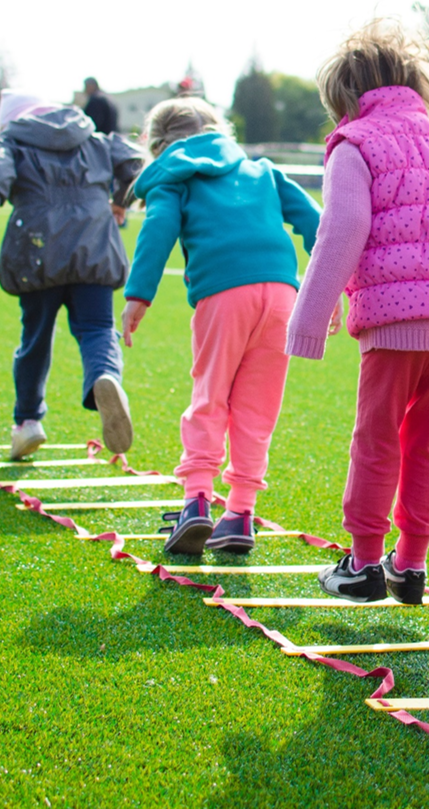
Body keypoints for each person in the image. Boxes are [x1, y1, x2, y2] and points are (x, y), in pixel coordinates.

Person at [285, 16, 429, 603]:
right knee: (426, 442)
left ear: (347, 98)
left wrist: (309, 318)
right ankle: (409, 563)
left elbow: (345, 228)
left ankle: (361, 564)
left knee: (376, 438)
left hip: (396, 319)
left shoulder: (354, 144)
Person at [120, 98, 321, 555]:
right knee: (258, 408)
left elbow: (159, 228)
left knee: (210, 396)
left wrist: (138, 295)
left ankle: (196, 503)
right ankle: (240, 514)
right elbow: (317, 223)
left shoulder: (174, 177)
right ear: (218, 130)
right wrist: (330, 287)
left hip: (224, 293)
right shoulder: (263, 170)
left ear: (158, 146)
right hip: (282, 296)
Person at [0, 90, 143, 460]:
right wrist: (120, 200)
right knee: (98, 328)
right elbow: (133, 161)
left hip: (37, 249)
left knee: (35, 336)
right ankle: (106, 376)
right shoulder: (91, 136)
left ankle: (28, 422)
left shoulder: (13, 140)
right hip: (95, 245)